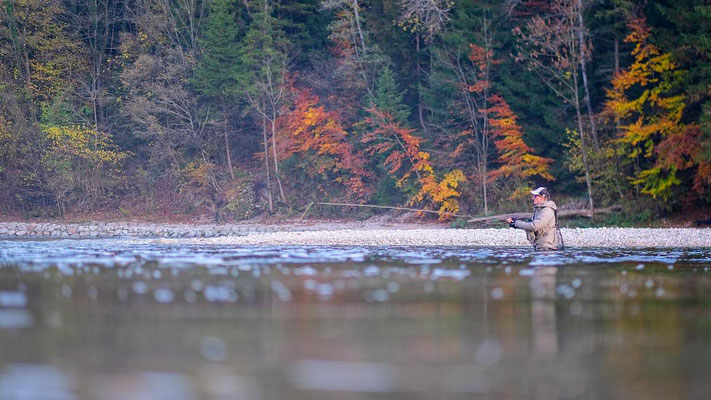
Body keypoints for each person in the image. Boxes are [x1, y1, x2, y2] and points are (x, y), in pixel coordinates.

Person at [506, 187, 562, 251]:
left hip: (547, 250)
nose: (533, 198)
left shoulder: (547, 211)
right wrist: (514, 223)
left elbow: (534, 226)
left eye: (535, 196)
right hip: (541, 249)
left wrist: (516, 223)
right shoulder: (540, 210)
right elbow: (530, 226)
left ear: (543, 197)